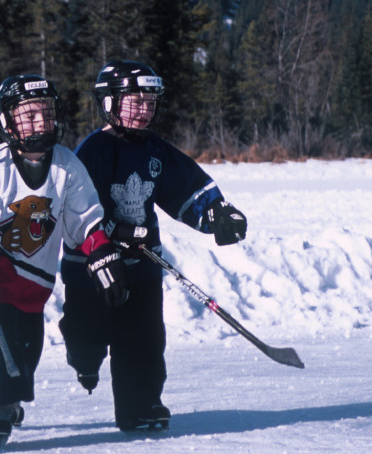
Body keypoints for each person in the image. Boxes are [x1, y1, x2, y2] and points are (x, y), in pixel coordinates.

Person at [0, 75, 128, 443]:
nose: (39, 122)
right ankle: (4, 400)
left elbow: (83, 221)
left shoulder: (67, 166)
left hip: (36, 276)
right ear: (8, 122)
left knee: (29, 349)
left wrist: (101, 251)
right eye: (28, 115)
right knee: (2, 329)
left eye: (45, 113)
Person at [59, 60, 248, 432]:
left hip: (142, 264)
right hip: (91, 267)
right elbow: (76, 210)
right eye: (134, 101)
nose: (144, 110)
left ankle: (140, 406)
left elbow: (187, 188)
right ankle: (84, 357)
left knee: (143, 340)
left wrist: (216, 215)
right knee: (87, 334)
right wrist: (115, 233)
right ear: (110, 104)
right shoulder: (93, 151)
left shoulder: (156, 151)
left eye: (149, 101)